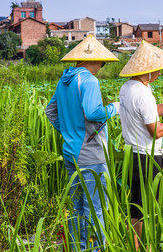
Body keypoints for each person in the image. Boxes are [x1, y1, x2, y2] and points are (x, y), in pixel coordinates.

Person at [45, 34, 120, 251]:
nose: (101, 67)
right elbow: (94, 113)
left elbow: (51, 111)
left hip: (70, 151)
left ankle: (78, 248)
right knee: (96, 207)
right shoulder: (89, 80)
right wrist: (115, 107)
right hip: (89, 153)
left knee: (77, 206)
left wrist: (68, 130)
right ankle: (95, 249)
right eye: (102, 63)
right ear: (95, 61)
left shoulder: (64, 79)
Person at [118, 40, 163, 250]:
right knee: (148, 209)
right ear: (148, 70)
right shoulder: (143, 94)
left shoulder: (128, 87)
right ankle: (145, 247)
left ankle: (136, 247)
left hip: (132, 155)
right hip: (147, 158)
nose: (160, 71)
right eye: (157, 67)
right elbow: (156, 131)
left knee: (137, 208)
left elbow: (149, 114)